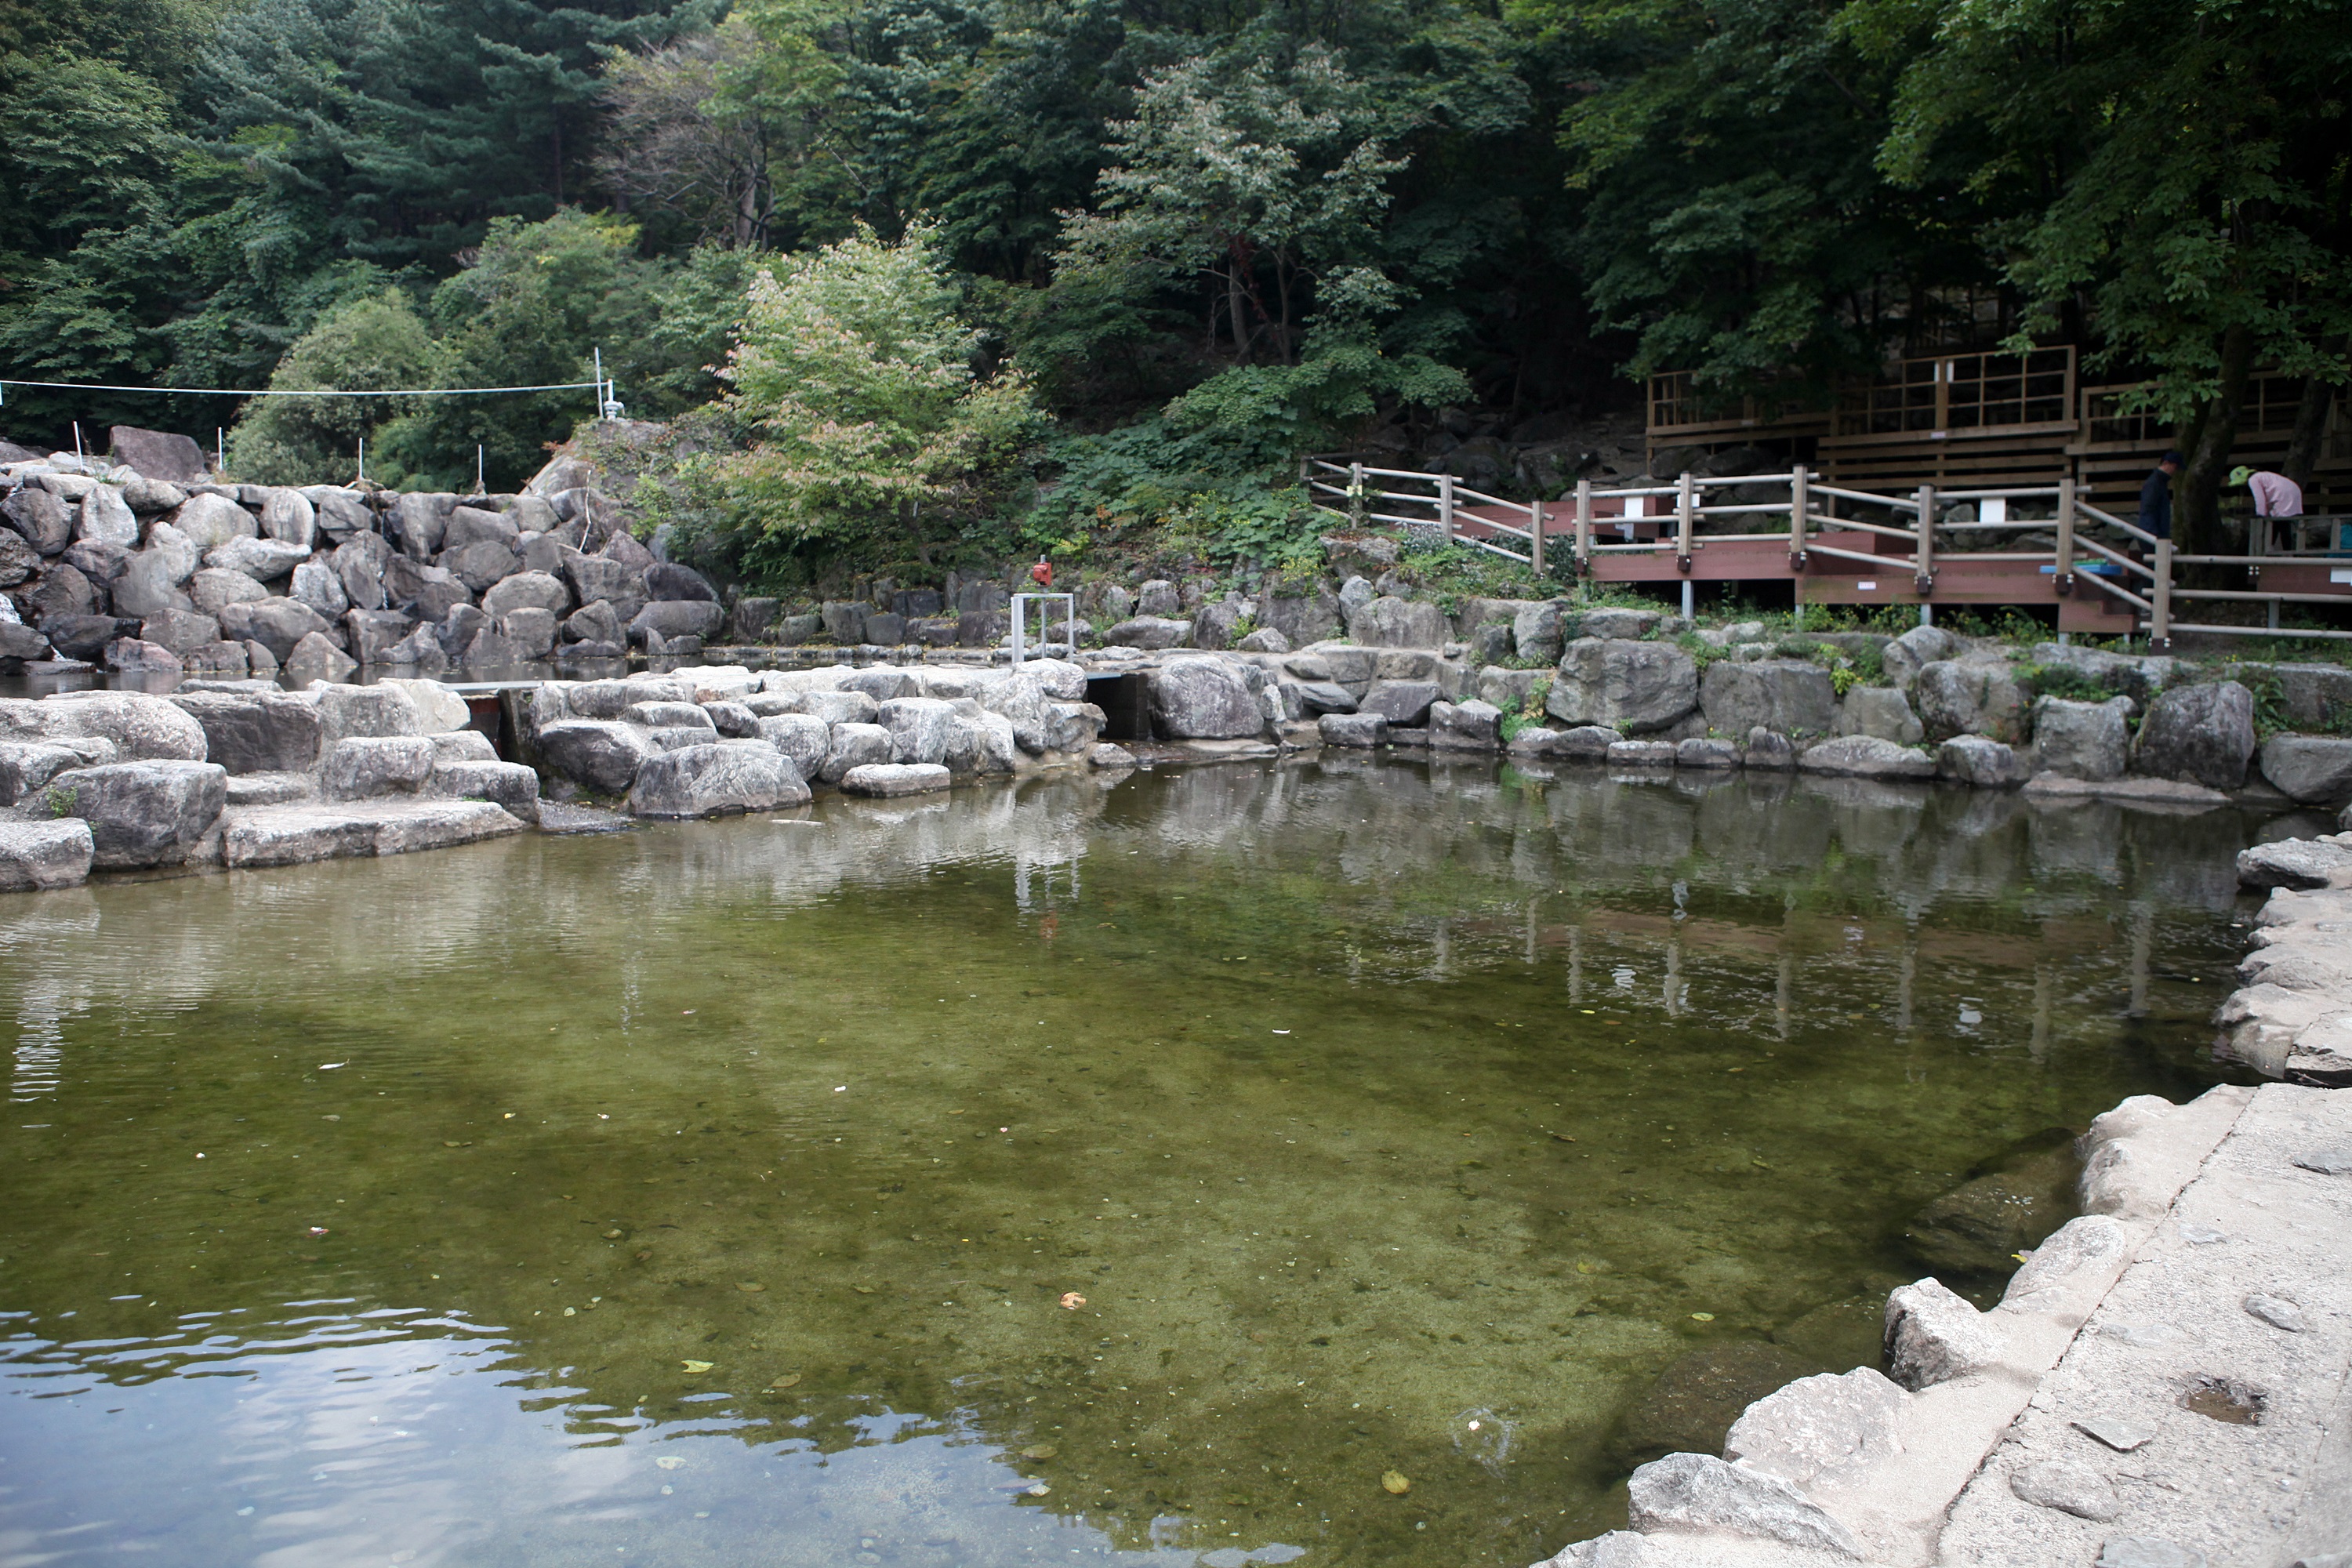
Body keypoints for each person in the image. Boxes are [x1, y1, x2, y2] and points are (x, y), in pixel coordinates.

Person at [2230, 465, 2304, 552]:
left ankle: (2286, 552)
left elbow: (2260, 498)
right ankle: (2278, 549)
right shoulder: (2263, 476)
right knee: (2281, 523)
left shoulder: (2253, 479)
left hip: (2282, 495)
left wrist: (2260, 515)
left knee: (2282, 524)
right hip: (2293, 491)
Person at [2137, 451, 2181, 552]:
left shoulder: (2158, 482)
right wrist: (2155, 535)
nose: (2175, 471)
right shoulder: (2155, 483)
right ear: (2166, 463)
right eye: (2174, 467)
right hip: (2153, 535)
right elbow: (2148, 509)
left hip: (2155, 534)